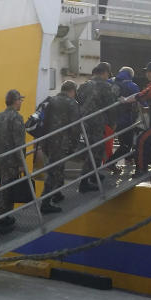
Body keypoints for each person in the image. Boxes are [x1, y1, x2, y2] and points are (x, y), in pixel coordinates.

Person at [0, 89, 27, 235]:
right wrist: (22, 162)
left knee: (6, 190)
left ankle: (4, 218)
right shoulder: (16, 117)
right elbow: (19, 143)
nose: (21, 102)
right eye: (20, 100)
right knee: (7, 194)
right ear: (16, 101)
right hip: (9, 163)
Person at [77, 64, 118, 192]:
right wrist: (113, 123)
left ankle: (94, 174)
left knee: (91, 148)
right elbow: (111, 107)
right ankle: (84, 182)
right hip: (96, 123)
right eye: (108, 74)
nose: (108, 77)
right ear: (105, 72)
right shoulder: (106, 86)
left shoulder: (84, 85)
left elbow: (78, 101)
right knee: (97, 150)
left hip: (83, 122)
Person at [39, 81, 78, 212]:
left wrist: (42, 142)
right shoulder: (72, 103)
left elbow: (44, 123)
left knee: (58, 167)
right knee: (53, 171)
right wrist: (75, 144)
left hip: (48, 140)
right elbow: (75, 126)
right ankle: (45, 203)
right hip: (61, 142)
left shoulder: (51, 100)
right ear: (72, 91)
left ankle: (57, 193)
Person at [110, 66, 141, 171]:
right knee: (126, 145)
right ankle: (110, 163)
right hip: (126, 120)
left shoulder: (110, 82)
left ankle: (128, 159)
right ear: (130, 75)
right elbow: (140, 100)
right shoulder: (132, 86)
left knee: (123, 143)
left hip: (111, 120)